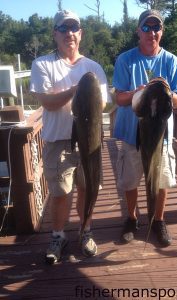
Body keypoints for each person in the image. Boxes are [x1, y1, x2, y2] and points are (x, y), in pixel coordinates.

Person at [30, 9, 111, 264]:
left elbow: (103, 105)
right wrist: (75, 91)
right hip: (59, 140)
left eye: (73, 28)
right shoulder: (42, 64)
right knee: (60, 191)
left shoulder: (94, 67)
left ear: (81, 33)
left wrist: (86, 97)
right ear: (55, 33)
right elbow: (46, 101)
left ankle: (85, 231)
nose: (69, 34)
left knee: (88, 188)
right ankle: (58, 235)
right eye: (63, 29)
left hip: (90, 140)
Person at [112, 9, 177, 247]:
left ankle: (158, 220)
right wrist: (139, 92)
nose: (151, 32)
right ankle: (132, 219)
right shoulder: (125, 60)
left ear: (161, 32)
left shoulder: (172, 61)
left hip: (161, 137)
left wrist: (166, 92)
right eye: (146, 27)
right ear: (138, 31)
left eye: (156, 28)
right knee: (130, 180)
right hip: (132, 135)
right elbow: (119, 98)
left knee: (160, 179)